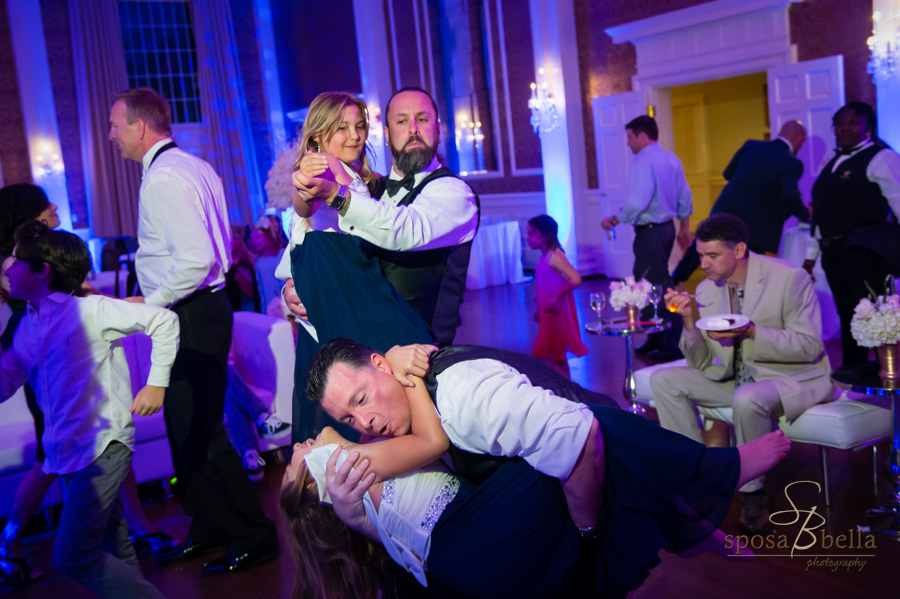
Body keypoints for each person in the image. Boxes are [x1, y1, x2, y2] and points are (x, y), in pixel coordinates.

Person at [296, 339, 793, 597]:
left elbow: (579, 441)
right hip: (500, 515)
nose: (365, 422)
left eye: (361, 400)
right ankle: (698, 501)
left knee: (592, 446)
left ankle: (713, 475)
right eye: (346, 419)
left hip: (585, 439)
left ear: (383, 365)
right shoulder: (392, 413)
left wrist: (587, 530)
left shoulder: (469, 400)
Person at [109, 87, 278, 574]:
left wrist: (150, 302)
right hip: (202, 306)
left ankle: (255, 533)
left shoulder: (163, 179)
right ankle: (207, 524)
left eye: (116, 125)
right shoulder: (195, 165)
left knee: (199, 428)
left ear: (140, 127)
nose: (112, 135)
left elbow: (198, 260)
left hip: (191, 309)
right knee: (183, 427)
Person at [0, 221, 175, 598]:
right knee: (113, 543)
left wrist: (156, 383)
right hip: (65, 453)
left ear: (42, 271)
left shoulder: (92, 309)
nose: (7, 269)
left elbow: (164, 320)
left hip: (103, 446)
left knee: (72, 555)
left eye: (15, 262)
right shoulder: (24, 328)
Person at [650, 213, 832, 536]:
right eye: (701, 255)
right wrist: (689, 321)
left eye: (712, 255)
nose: (703, 264)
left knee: (746, 397)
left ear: (739, 250)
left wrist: (751, 333)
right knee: (663, 379)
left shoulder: (790, 278)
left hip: (790, 377)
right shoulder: (706, 290)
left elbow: (809, 345)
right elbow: (702, 363)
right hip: (735, 378)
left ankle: (753, 495)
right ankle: (696, 478)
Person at [279, 91, 440, 443]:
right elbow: (304, 206)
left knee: (375, 385)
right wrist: (308, 184)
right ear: (318, 135)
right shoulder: (321, 163)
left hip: (357, 288)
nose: (355, 135)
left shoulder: (363, 176)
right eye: (342, 128)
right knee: (373, 383)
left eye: (360, 126)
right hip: (348, 295)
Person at [291, 86, 480, 348]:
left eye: (422, 119)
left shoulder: (455, 193)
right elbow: (311, 233)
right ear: (387, 135)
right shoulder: (368, 187)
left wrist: (337, 195)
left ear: (437, 129)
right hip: (354, 336)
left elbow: (405, 229)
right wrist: (294, 289)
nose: (413, 128)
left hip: (417, 349)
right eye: (402, 121)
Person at [803, 102, 900, 366]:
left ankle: (885, 374)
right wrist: (810, 255)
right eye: (840, 123)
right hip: (833, 252)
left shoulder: (882, 158)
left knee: (874, 318)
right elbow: (820, 211)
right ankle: (854, 371)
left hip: (866, 253)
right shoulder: (831, 161)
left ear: (868, 127)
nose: (845, 128)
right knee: (847, 315)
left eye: (854, 122)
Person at [671, 121, 810, 285]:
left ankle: (673, 282)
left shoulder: (751, 146)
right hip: (757, 225)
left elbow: (728, 173)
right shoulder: (791, 162)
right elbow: (790, 196)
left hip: (727, 208)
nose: (800, 147)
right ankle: (741, 300)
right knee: (748, 268)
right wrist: (808, 215)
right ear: (797, 137)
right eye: (802, 142)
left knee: (703, 246)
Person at [601, 115, 692, 361]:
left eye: (629, 137)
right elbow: (685, 195)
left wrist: (615, 220)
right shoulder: (671, 158)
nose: (628, 143)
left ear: (642, 135)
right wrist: (684, 227)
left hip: (650, 232)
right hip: (666, 229)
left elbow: (637, 203)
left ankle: (672, 344)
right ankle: (655, 339)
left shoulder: (643, 161)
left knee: (656, 286)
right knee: (649, 283)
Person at [526, 214, 588, 377]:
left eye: (532, 234)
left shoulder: (555, 256)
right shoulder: (546, 257)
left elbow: (575, 279)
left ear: (546, 235)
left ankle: (569, 386)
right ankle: (570, 389)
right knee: (557, 355)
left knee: (541, 354)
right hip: (549, 313)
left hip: (556, 314)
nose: (528, 238)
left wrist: (555, 297)